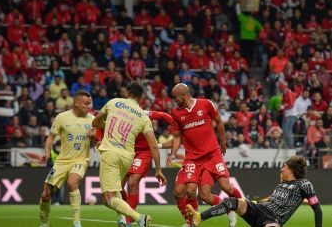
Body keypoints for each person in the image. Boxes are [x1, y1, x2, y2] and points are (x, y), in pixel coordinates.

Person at [91, 82, 167, 227]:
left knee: (107, 198)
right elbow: (153, 145)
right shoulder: (143, 116)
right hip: (127, 157)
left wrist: (102, 127)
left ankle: (139, 218)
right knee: (117, 190)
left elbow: (95, 121)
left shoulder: (114, 102)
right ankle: (122, 221)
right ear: (141, 97)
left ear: (127, 93)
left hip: (110, 153)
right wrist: (158, 170)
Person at [168, 83, 242, 226]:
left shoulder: (206, 104)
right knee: (190, 191)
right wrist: (173, 153)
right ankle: (192, 222)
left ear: (183, 94)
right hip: (193, 159)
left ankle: (240, 208)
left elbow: (219, 121)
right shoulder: (176, 113)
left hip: (212, 154)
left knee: (226, 187)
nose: (174, 100)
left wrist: (223, 142)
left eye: (175, 97)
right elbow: (177, 137)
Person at [187, 155, 323, 227]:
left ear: (292, 170)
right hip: (258, 209)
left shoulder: (304, 184)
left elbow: (317, 209)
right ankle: (199, 217)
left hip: (272, 220)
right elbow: (271, 201)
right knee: (232, 202)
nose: (282, 169)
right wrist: (253, 202)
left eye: (285, 167)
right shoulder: (281, 184)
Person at [39, 91, 95, 227]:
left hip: (81, 160)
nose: (89, 106)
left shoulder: (93, 119)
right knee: (46, 195)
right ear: (76, 103)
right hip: (62, 161)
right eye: (86, 103)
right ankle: (44, 223)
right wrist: (47, 152)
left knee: (72, 183)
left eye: (90, 103)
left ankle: (77, 222)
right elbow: (50, 138)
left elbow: (98, 139)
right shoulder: (61, 117)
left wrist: (95, 140)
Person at [121, 110, 173, 225]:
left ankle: (128, 220)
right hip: (128, 151)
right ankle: (129, 212)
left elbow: (163, 115)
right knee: (117, 188)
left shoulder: (145, 114)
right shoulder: (122, 113)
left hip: (143, 153)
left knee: (132, 182)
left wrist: (176, 124)